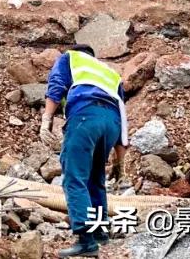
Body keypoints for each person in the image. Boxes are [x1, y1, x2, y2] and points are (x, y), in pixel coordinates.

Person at [40, 44, 128, 256]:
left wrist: (46, 119)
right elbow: (123, 115)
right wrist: (120, 161)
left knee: (74, 177)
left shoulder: (70, 58)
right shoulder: (110, 73)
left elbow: (56, 85)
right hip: (111, 125)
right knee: (95, 178)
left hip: (86, 115)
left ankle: (86, 240)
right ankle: (100, 232)